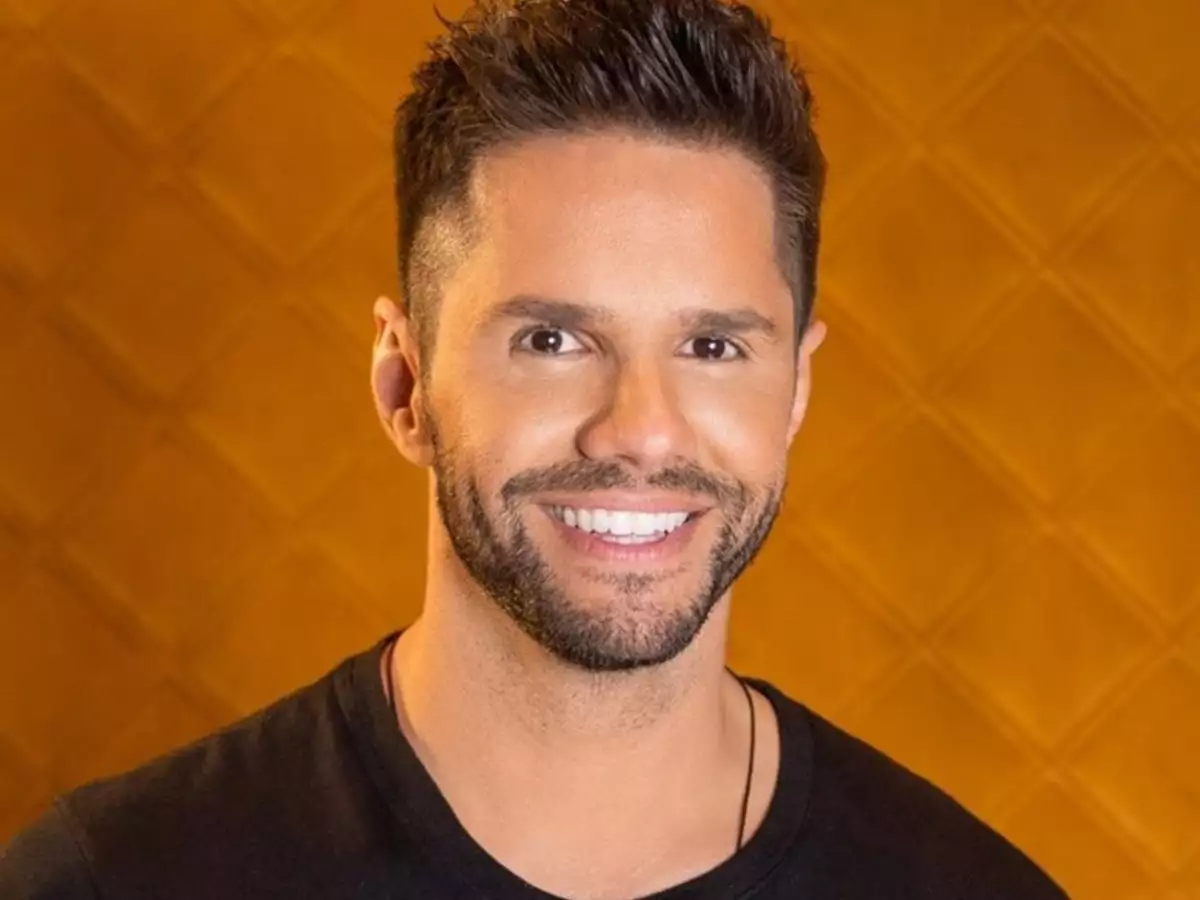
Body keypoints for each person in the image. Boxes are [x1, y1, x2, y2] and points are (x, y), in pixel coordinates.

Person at [0, 0, 1069, 897]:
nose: (641, 429)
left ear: (795, 388)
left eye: (712, 346)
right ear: (405, 384)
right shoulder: (112, 881)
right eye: (552, 341)